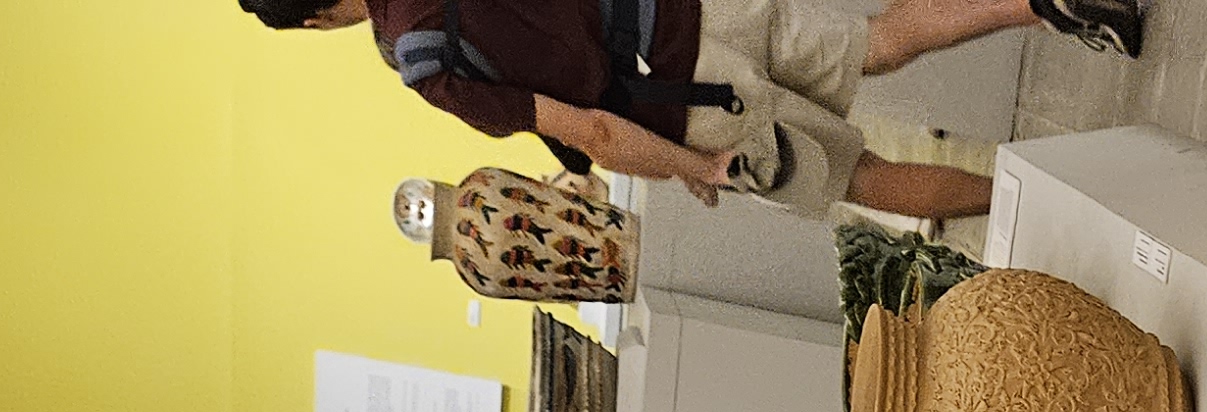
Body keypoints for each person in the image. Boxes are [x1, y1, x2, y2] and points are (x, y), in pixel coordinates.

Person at [242, 0, 1145, 229]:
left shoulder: (423, 60)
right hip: (692, 11)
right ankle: (1042, 4)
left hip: (685, 108)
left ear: (316, 20)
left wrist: (693, 169)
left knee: (863, 179)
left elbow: (590, 130)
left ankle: (1065, 208)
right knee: (878, 40)